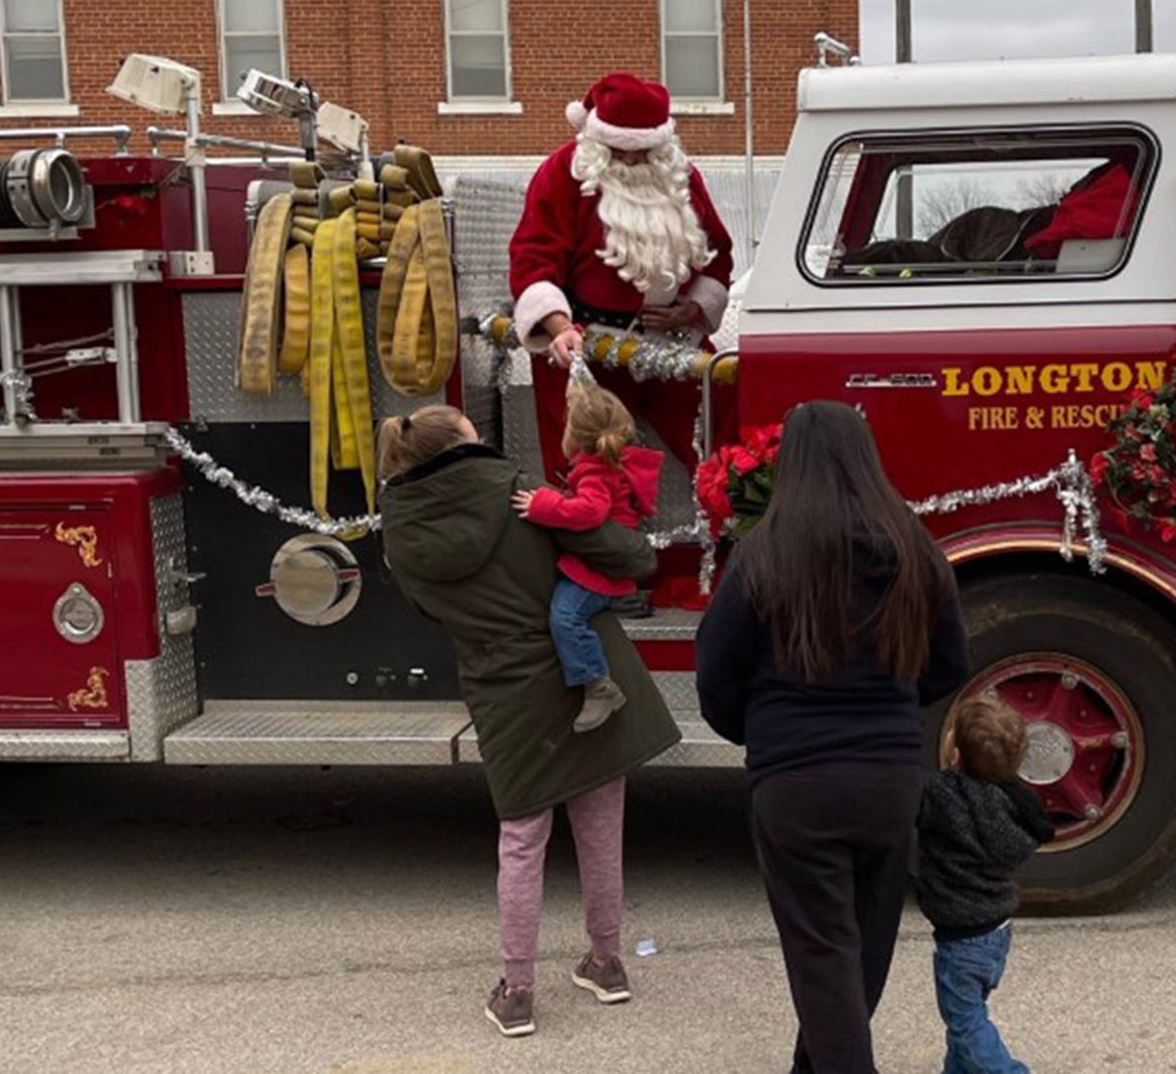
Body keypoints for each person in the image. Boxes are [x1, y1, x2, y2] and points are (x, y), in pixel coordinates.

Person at [377, 406, 681, 1039]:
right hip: (587, 681)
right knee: (601, 827)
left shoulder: (400, 535)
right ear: (464, 444)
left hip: (503, 688)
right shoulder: (521, 492)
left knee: (520, 841)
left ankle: (516, 994)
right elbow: (630, 558)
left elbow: (429, 610)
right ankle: (606, 963)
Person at [696, 400, 971, 1074]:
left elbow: (715, 676)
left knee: (824, 957)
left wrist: (760, 734)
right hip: (888, 779)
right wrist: (894, 709)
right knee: (861, 954)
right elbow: (950, 665)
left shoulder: (762, 553)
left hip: (794, 782)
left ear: (789, 463)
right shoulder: (913, 547)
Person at [509, 71, 736, 480]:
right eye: (619, 151)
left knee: (725, 443)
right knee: (585, 469)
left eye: (644, 151)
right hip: (589, 343)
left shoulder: (681, 176)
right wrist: (559, 328)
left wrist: (693, 310)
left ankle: (727, 536)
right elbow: (533, 257)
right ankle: (590, 540)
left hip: (672, 342)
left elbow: (718, 255)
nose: (631, 161)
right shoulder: (563, 173)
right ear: (597, 141)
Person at [915, 692, 1057, 1074]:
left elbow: (914, 790)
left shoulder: (944, 799)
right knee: (968, 1016)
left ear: (956, 754)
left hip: (961, 940)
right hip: (995, 932)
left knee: (965, 1023)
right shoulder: (1014, 810)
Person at [512, 378, 663, 732]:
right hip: (606, 563)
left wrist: (542, 504)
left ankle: (598, 686)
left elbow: (589, 513)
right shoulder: (613, 462)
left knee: (565, 618)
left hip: (596, 570)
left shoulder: (595, 468)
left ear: (577, 436)